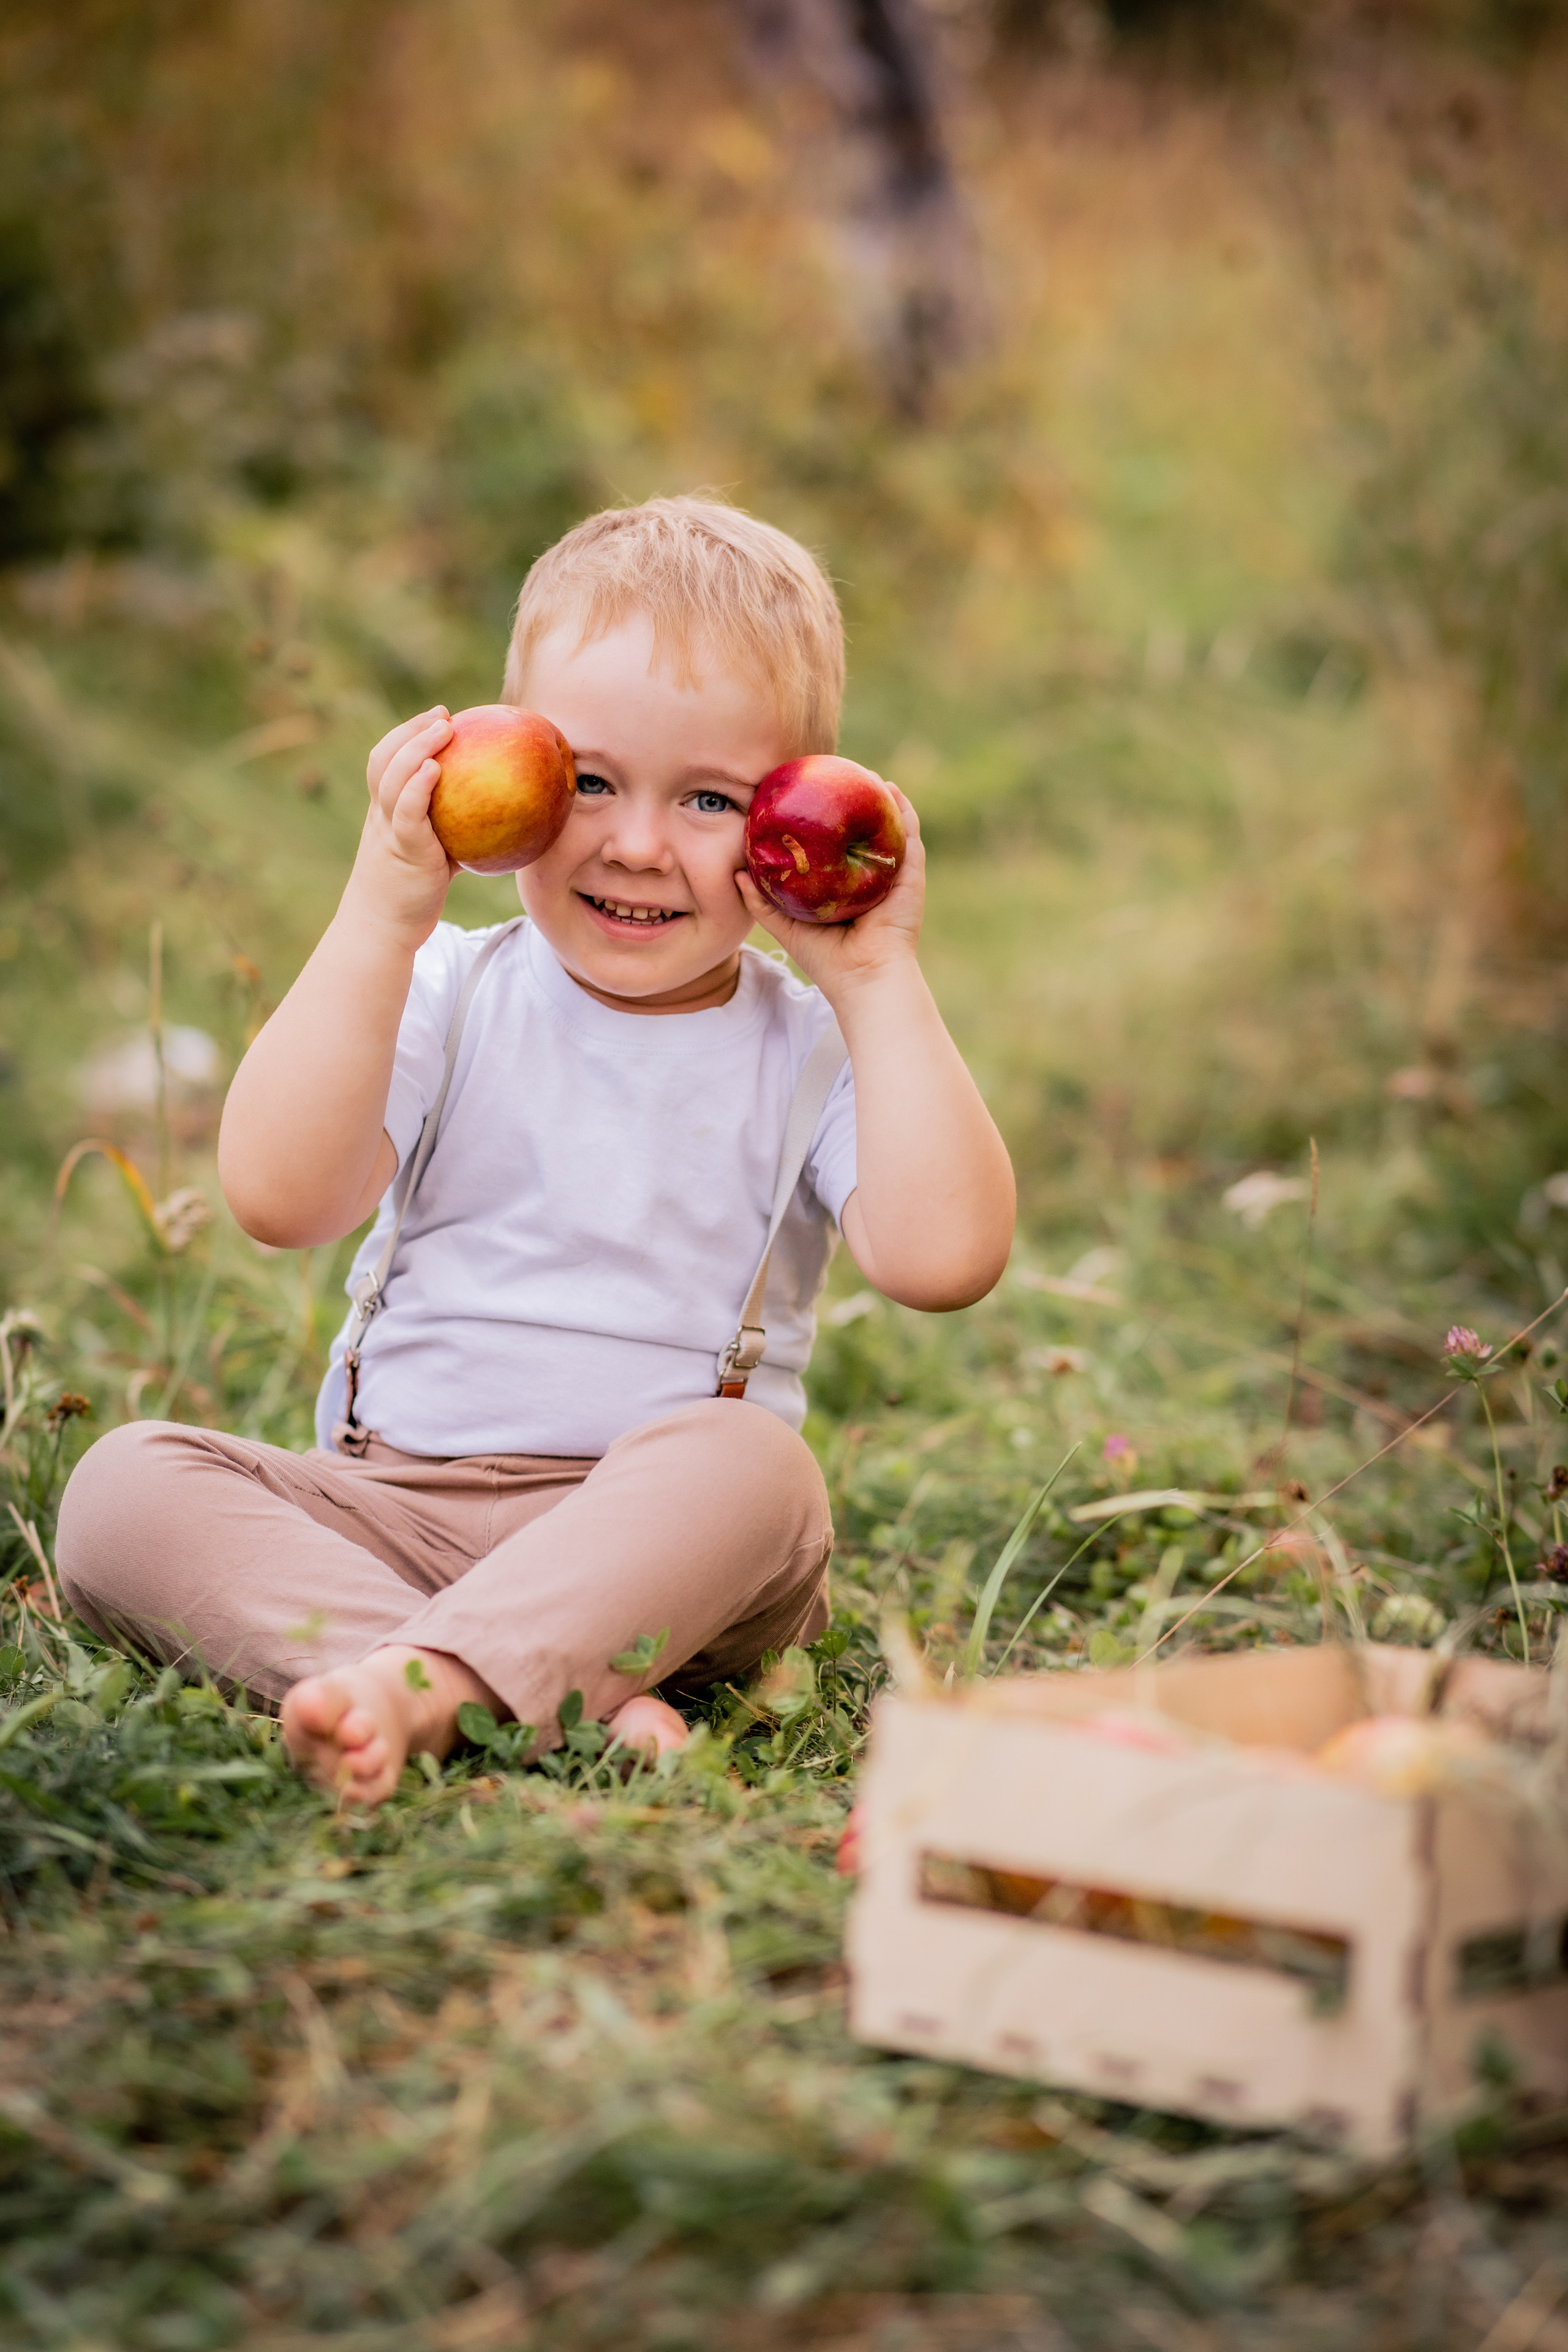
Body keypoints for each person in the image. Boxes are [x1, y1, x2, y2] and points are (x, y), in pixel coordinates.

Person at [56, 496, 1015, 1807]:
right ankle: (516, 1696)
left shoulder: (811, 1046)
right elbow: (279, 1199)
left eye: (711, 800)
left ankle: (456, 1678)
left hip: (660, 1561)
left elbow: (945, 1260)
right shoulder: (446, 988)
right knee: (122, 1489)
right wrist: (380, 915)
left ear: (789, 818)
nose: (637, 844)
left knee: (757, 1472)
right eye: (592, 782)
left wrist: (879, 979)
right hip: (392, 1516)